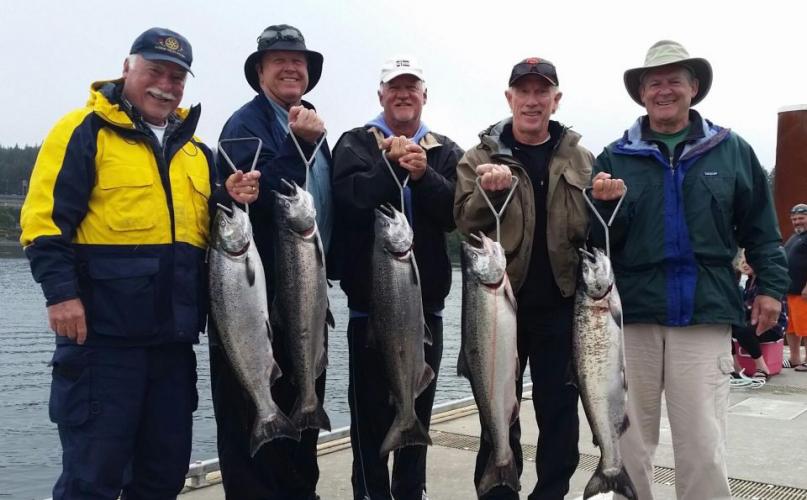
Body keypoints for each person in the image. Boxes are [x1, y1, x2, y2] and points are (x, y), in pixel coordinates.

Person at [19, 27, 259, 500]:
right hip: (102, 346)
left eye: (176, 76)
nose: (165, 85)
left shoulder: (197, 152)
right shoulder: (81, 131)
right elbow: (44, 223)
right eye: (155, 70)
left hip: (172, 349)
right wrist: (61, 295)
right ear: (127, 67)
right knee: (91, 480)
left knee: (160, 478)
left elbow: (209, 236)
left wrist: (227, 196)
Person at [591, 40, 789, 500]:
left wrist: (771, 290)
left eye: (674, 81)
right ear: (641, 93)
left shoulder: (732, 150)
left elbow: (762, 229)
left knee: (703, 447)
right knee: (626, 444)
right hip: (631, 320)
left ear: (693, 88)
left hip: (705, 315)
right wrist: (603, 207)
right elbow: (595, 243)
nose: (664, 90)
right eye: (654, 82)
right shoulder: (613, 158)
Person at [454, 57, 619, 500]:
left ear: (555, 99)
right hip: (497, 309)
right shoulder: (479, 158)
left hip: (565, 309)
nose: (532, 101)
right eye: (522, 92)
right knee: (498, 412)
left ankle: (551, 494)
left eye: (541, 91)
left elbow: (596, 230)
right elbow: (464, 224)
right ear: (509, 98)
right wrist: (489, 192)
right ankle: (498, 486)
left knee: (561, 418)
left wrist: (607, 200)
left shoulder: (582, 158)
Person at [209, 24, 333, 500]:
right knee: (253, 442)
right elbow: (259, 196)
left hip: (306, 301)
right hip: (254, 307)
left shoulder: (311, 122)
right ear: (259, 71)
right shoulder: (246, 127)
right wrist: (299, 146)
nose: (290, 67)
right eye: (278, 60)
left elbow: (323, 203)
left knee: (301, 433)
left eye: (298, 61)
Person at [332, 55, 462, 500]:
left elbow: (452, 214)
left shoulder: (444, 149)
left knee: (416, 416)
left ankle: (412, 492)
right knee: (368, 423)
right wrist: (389, 167)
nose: (403, 95)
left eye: (412, 87)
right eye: (395, 87)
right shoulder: (355, 142)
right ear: (381, 95)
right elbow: (350, 200)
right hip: (371, 312)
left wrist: (424, 175)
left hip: (428, 311)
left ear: (425, 95)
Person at [731, 250, 788, 380]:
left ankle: (762, 368)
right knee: (725, 327)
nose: (745, 265)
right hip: (753, 321)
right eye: (743, 262)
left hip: (771, 324)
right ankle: (736, 366)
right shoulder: (748, 281)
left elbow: (752, 308)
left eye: (749, 262)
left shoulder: (767, 282)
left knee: (743, 331)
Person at [784, 203, 807, 370]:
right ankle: (794, 358)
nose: (797, 222)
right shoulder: (795, 237)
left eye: (801, 218)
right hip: (790, 290)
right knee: (791, 327)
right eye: (794, 219)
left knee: (806, 326)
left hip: (803, 291)